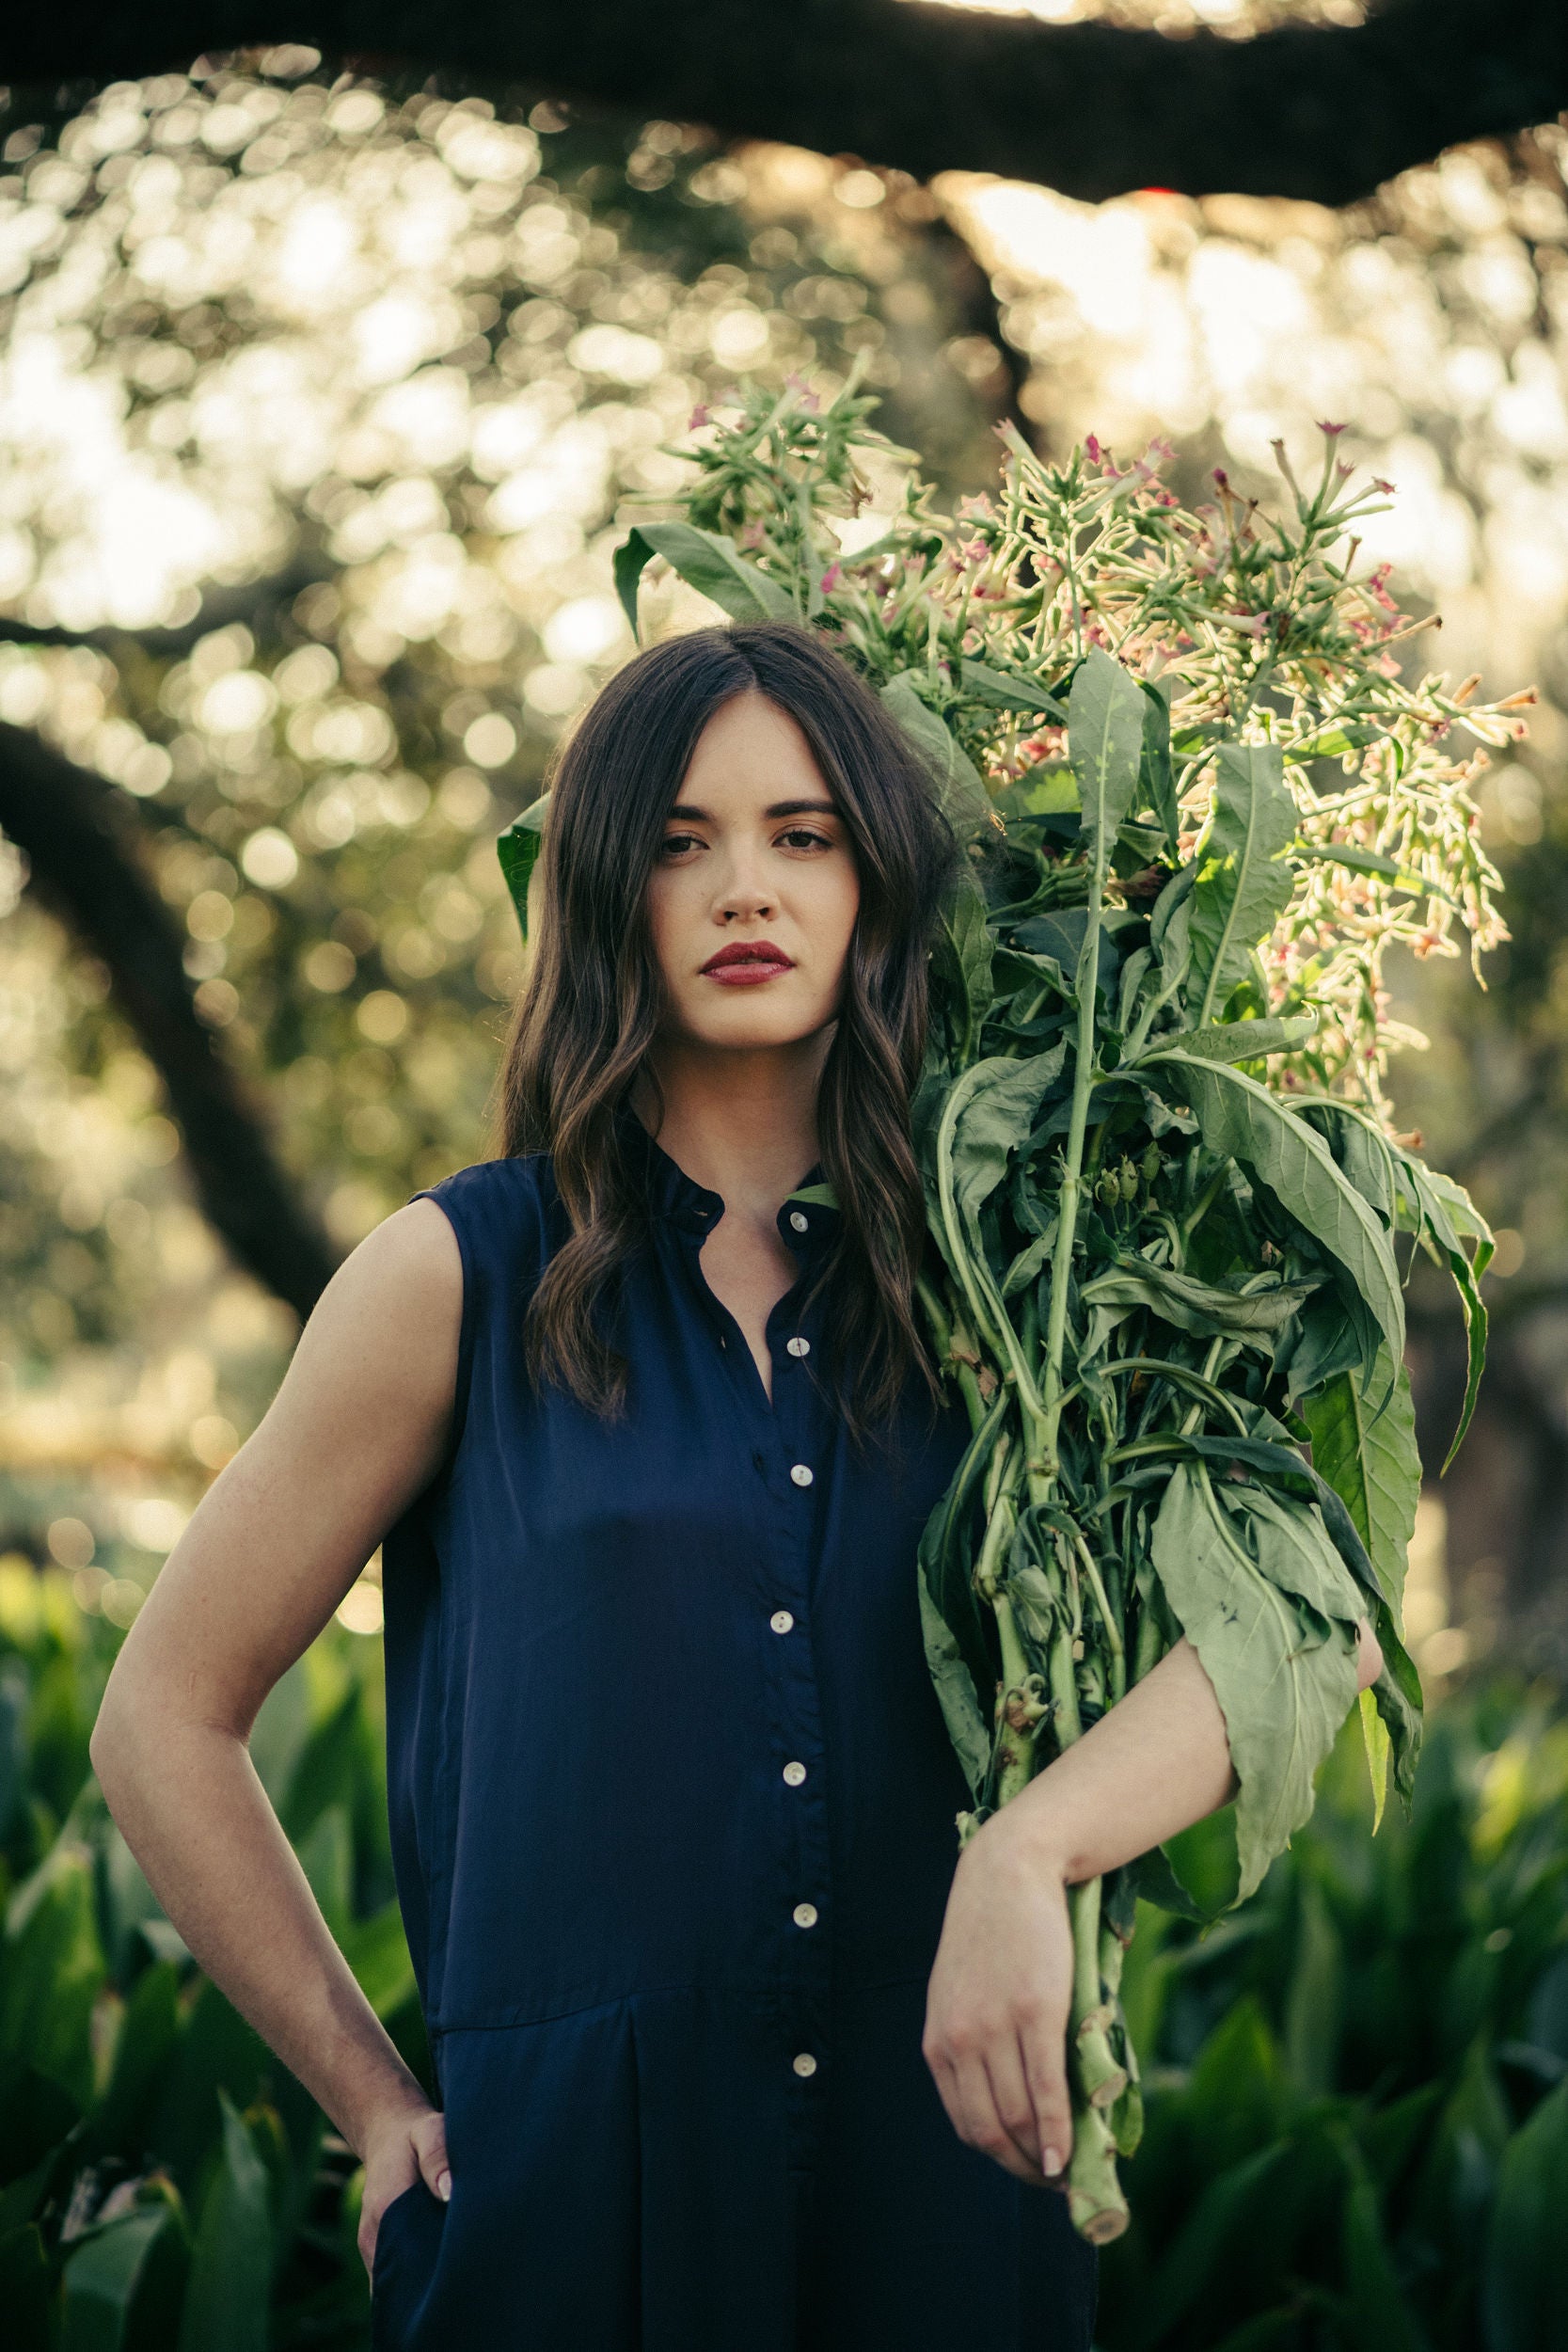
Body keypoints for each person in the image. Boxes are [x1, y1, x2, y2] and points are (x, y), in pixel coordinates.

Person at [90, 618, 1383, 2349]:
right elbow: (161, 1714)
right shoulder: (456, 1280)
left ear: (876, 883)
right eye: (682, 842)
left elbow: (1315, 1616)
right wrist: (372, 2098)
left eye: (803, 835)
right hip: (569, 2233)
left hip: (947, 2207)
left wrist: (1030, 1849)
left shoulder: (1040, 1281)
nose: (743, 890)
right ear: (608, 892)